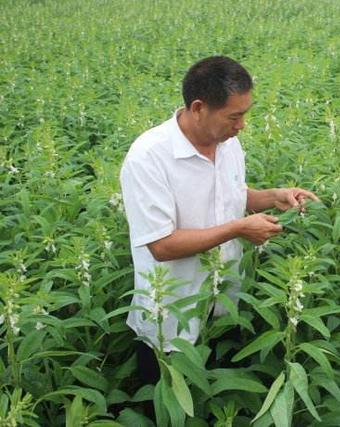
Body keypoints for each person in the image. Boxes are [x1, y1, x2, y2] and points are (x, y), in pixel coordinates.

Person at [119, 56, 318, 376]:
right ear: (198, 108)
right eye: (234, 116)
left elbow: (232, 198)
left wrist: (272, 197)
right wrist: (239, 228)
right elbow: (161, 245)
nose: (241, 126)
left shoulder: (228, 144)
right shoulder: (148, 157)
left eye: (245, 115)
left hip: (224, 305)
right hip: (170, 322)